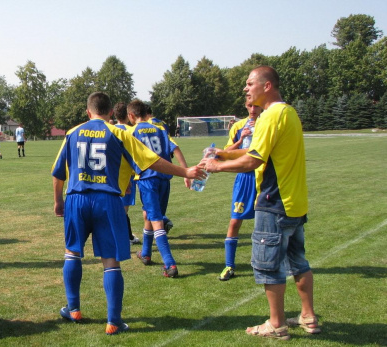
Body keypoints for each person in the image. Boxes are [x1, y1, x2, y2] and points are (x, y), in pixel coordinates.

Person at [52, 92, 205, 335]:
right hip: (108, 200)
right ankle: (113, 321)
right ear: (111, 112)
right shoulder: (119, 132)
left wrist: (58, 201)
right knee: (110, 261)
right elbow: (151, 161)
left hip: (76, 198)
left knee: (72, 253)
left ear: (87, 111)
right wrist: (185, 172)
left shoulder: (72, 133)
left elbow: (58, 172)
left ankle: (73, 309)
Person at [203, 66, 319, 340]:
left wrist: (215, 167)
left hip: (273, 201)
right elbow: (259, 150)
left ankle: (276, 324)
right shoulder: (287, 112)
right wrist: (222, 153)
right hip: (294, 201)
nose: (245, 88)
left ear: (267, 86)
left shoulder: (269, 116)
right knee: (298, 261)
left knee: (269, 266)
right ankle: (308, 317)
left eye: (250, 83)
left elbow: (255, 160)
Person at [127, 100, 188, 278]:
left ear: (131, 115)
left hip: (147, 179)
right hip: (164, 178)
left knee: (156, 220)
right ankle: (146, 253)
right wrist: (185, 171)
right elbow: (173, 147)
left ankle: (170, 264)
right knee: (150, 214)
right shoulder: (160, 128)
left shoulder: (132, 131)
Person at [217, 102, 261, 281]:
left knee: (268, 223)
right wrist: (240, 140)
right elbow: (225, 153)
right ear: (246, 105)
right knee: (235, 221)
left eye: (256, 105)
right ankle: (229, 266)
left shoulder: (267, 123)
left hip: (263, 176)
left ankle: (272, 263)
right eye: (250, 105)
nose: (253, 109)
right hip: (244, 179)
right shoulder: (237, 126)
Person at [112, 102, 140, 245]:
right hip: (127, 175)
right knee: (123, 210)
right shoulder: (132, 131)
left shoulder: (109, 130)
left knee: (113, 207)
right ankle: (122, 237)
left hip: (109, 175)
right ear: (128, 115)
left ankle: (125, 235)